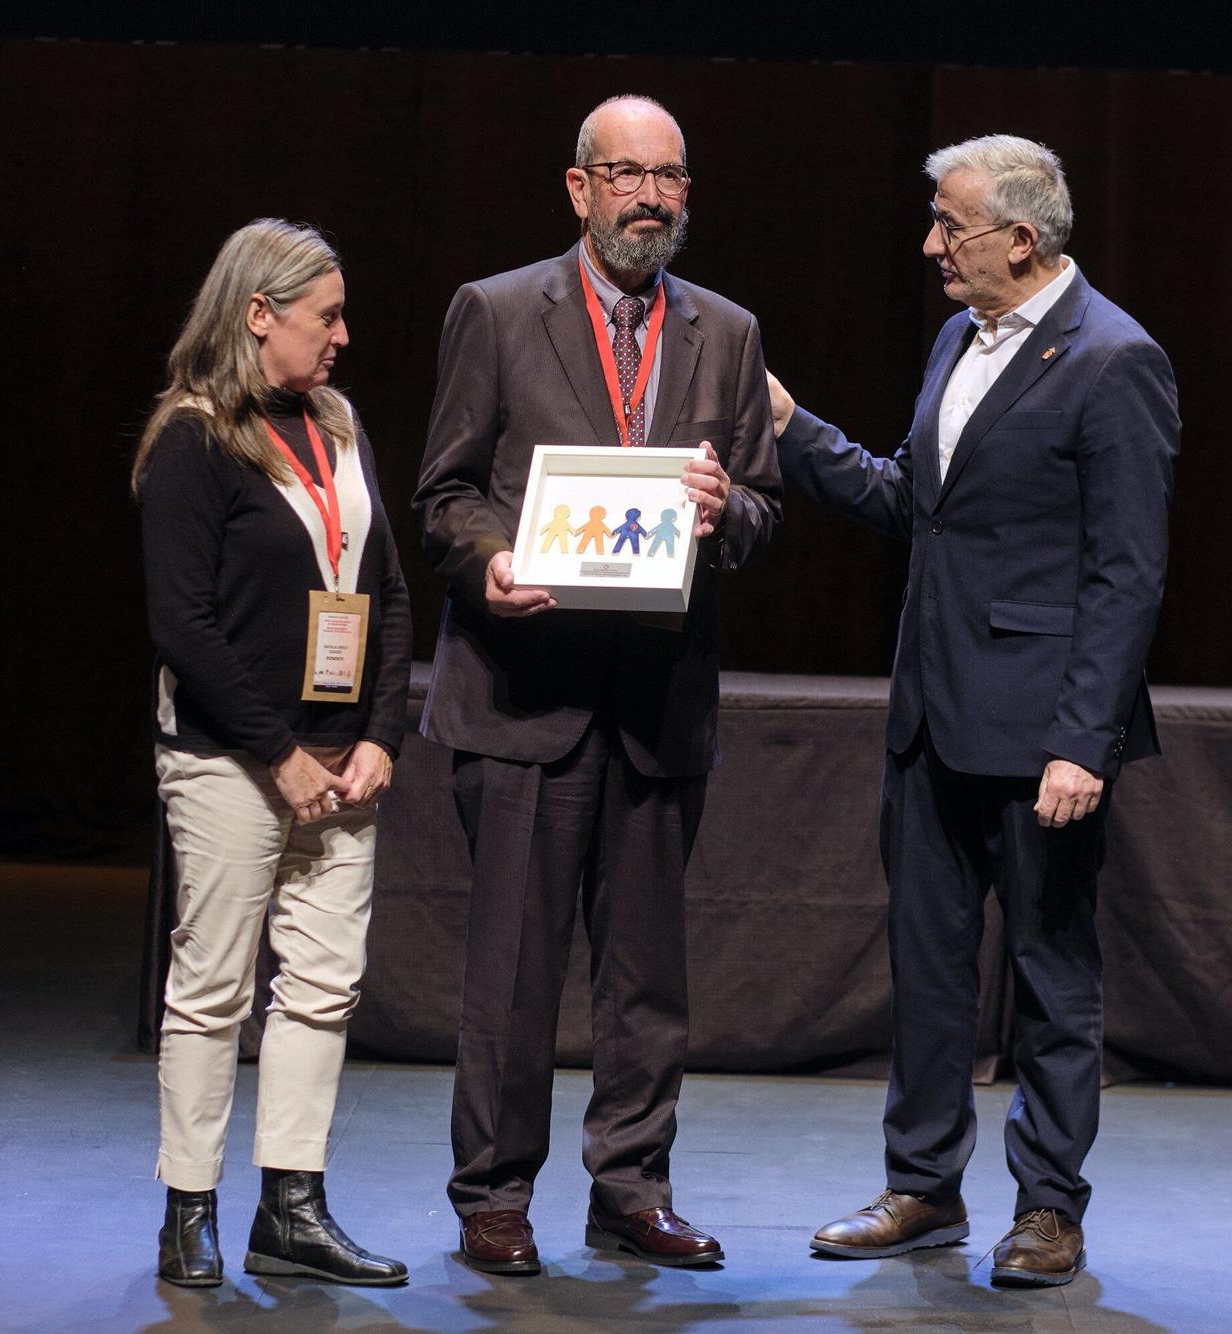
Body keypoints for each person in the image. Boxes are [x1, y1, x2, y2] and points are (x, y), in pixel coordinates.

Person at [767, 135, 1177, 1287]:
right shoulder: (959, 337)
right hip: (931, 716)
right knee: (929, 967)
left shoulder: (1113, 358)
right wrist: (793, 426)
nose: (929, 245)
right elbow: (916, 500)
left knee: (1050, 972)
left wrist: (1079, 739)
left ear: (1018, 238)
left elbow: (1125, 571)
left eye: (947, 225)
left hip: (1041, 730)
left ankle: (1047, 1205)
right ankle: (922, 1186)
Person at [412, 94, 781, 1275]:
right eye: (624, 174)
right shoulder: (500, 310)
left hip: (657, 703)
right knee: (513, 976)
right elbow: (444, 495)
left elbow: (764, 510)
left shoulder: (724, 330)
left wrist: (731, 516)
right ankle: (493, 1195)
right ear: (579, 189)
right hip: (525, 696)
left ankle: (630, 1185)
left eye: (668, 176)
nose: (648, 197)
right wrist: (493, 562)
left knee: (647, 981)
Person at [133, 218, 412, 1288]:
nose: (341, 335)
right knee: (211, 986)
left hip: (341, 758)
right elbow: (183, 624)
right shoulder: (191, 440)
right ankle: (188, 1209)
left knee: (322, 985)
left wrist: (382, 730)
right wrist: (277, 750)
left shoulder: (338, 426)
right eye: (324, 315)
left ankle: (290, 1206)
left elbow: (383, 591)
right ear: (259, 314)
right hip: (228, 758)